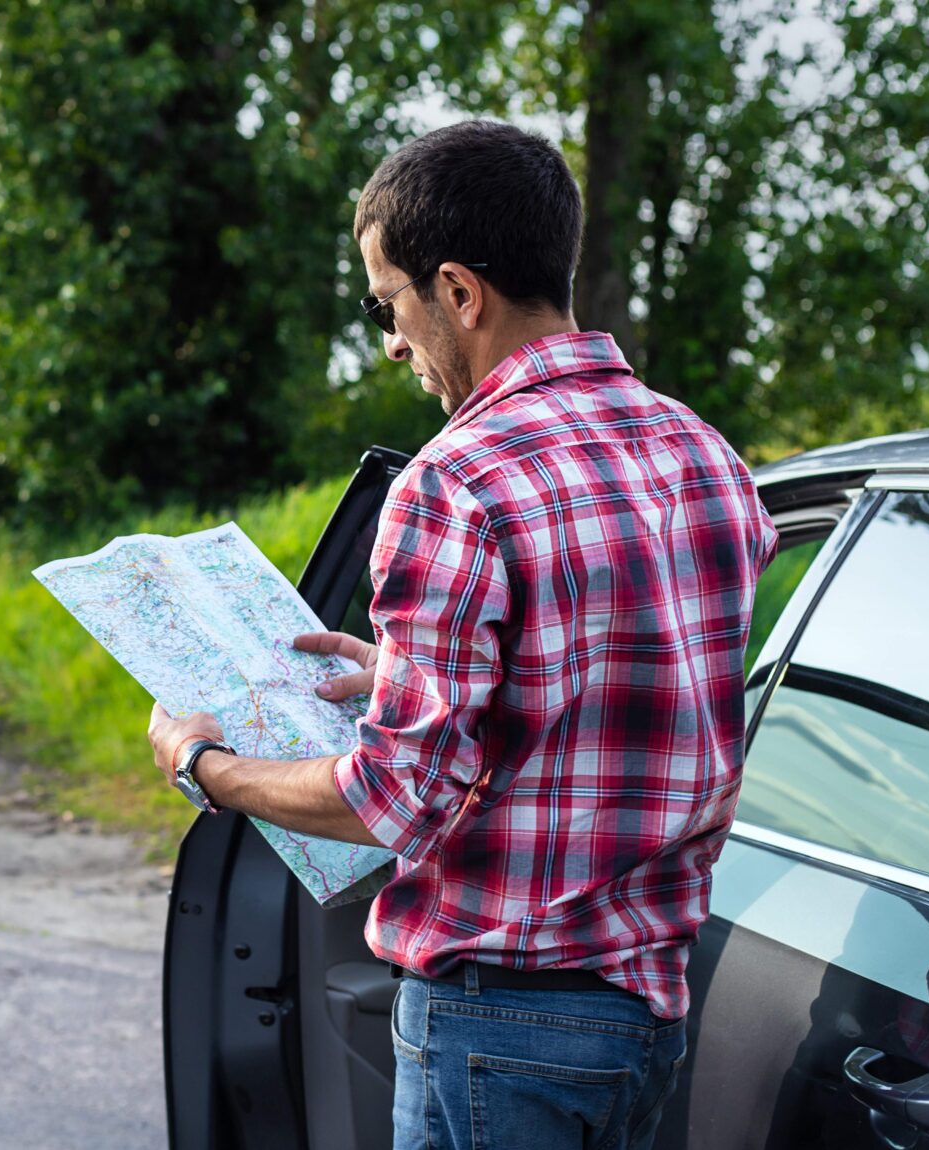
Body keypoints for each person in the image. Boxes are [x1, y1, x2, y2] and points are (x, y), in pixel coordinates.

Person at [145, 120, 778, 1150]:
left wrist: (208, 767)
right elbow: (626, 687)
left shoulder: (457, 483)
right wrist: (403, 672)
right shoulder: (704, 453)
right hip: (650, 1018)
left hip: (496, 1027)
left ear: (458, 291)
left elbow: (396, 798)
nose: (392, 342)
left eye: (387, 305)